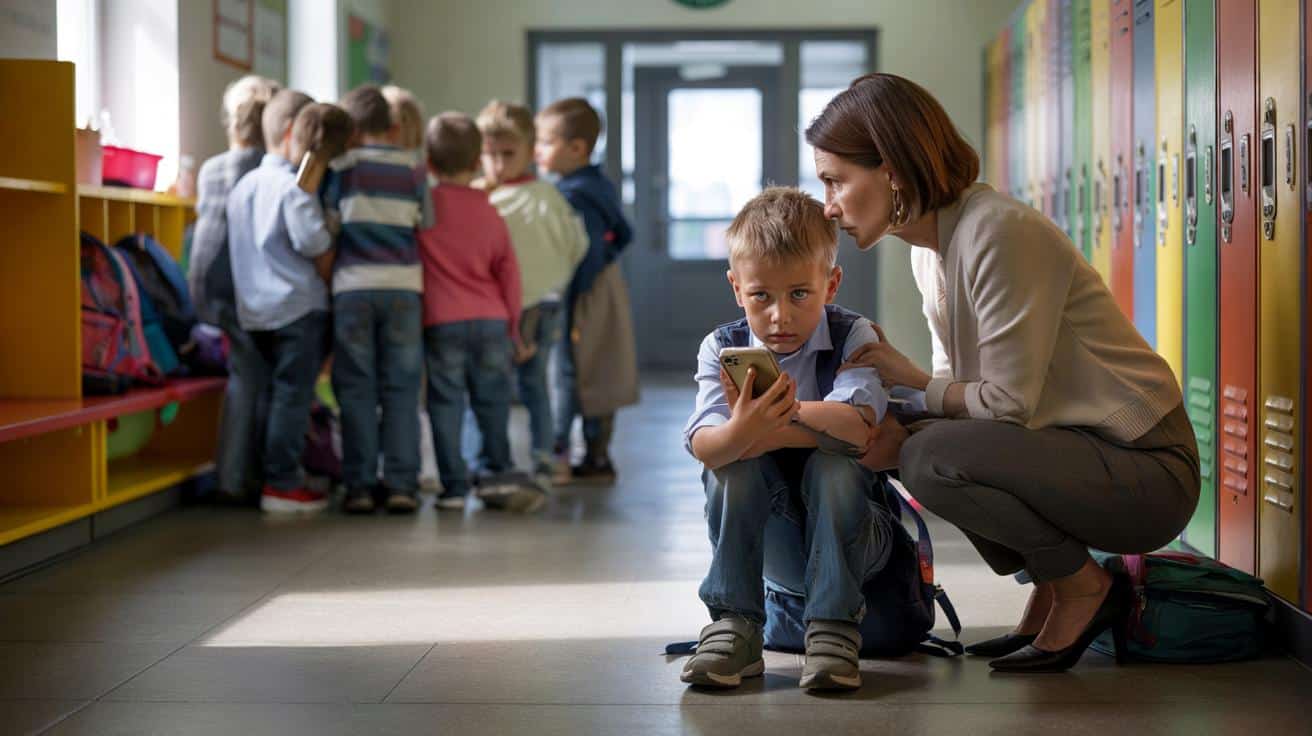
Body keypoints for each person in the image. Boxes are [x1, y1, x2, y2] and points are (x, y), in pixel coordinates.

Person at [806, 73, 1200, 672]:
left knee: (926, 455)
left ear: (891, 170)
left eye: (835, 180)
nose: (829, 206)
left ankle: (1083, 587)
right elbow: (960, 389)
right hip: (1076, 451)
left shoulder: (996, 230)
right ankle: (1053, 582)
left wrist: (911, 385)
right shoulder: (929, 252)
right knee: (913, 441)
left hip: (1146, 467)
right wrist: (887, 410)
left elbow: (1007, 404)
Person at [681, 187, 896, 691]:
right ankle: (734, 624)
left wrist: (771, 423)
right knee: (731, 466)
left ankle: (834, 629)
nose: (780, 315)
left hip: (860, 538)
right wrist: (743, 434)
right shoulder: (722, 347)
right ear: (737, 289)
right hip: (777, 541)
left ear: (831, 283)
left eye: (800, 294)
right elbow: (706, 447)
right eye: (762, 296)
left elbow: (858, 428)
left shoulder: (854, 336)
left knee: (835, 465)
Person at [419, 112, 540, 512]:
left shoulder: (425, 208)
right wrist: (513, 326)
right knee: (492, 402)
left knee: (446, 403)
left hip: (442, 320)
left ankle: (454, 488)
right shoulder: (489, 209)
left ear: (429, 162)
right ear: (476, 162)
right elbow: (510, 273)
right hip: (491, 319)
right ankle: (497, 475)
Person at [323, 85, 434, 515]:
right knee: (402, 389)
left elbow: (329, 226)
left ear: (350, 131)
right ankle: (403, 484)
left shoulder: (341, 169)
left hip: (353, 289)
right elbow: (428, 224)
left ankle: (360, 486)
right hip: (404, 288)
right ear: (393, 127)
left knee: (356, 389)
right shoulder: (414, 170)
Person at [225, 91, 335, 513]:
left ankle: (265, 476)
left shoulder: (243, 187)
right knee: (293, 396)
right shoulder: (294, 188)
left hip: (254, 312)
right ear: (292, 134)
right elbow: (314, 244)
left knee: (268, 395)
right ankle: (283, 482)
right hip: (298, 309)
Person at [476, 100, 588, 485]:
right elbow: (577, 245)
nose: (498, 164)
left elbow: (576, 243)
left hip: (535, 306)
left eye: (508, 154)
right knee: (514, 385)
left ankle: (526, 460)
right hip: (511, 305)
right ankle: (516, 460)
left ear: (529, 151)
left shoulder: (541, 197)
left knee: (521, 385)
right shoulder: (487, 196)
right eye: (489, 154)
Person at [188, 74, 280, 504]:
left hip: (204, 284)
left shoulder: (211, 168)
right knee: (253, 375)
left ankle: (237, 473)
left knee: (248, 371)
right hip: (240, 285)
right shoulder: (266, 169)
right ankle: (237, 477)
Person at [535, 97, 638, 484]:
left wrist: (569, 290)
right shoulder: (599, 186)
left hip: (580, 293)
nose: (537, 150)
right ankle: (596, 454)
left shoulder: (573, 195)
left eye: (546, 142)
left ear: (577, 148)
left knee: (569, 371)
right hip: (601, 287)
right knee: (598, 368)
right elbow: (624, 234)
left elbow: (587, 251)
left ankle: (562, 450)